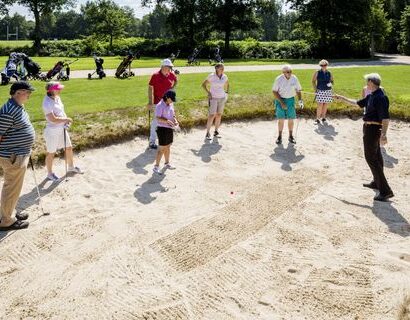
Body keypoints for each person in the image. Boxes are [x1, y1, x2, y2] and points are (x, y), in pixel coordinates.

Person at [334, 73, 394, 202]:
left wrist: (384, 134)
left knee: (371, 157)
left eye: (367, 82)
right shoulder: (371, 95)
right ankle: (376, 182)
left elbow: (385, 118)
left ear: (372, 82)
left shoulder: (380, 97)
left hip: (373, 129)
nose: (366, 84)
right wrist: (341, 98)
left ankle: (385, 191)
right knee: (376, 156)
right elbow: (357, 103)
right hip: (368, 128)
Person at [0, 81, 36, 231]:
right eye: (27, 92)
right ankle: (7, 221)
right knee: (12, 187)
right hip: (13, 156)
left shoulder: (17, 106)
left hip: (19, 153)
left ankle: (8, 212)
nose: (29, 95)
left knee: (13, 187)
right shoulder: (9, 110)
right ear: (18, 92)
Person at [42, 81, 82, 181]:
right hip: (52, 131)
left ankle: (71, 167)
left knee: (68, 147)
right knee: (51, 152)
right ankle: (50, 174)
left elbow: (61, 112)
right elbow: (53, 119)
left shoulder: (57, 98)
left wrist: (65, 122)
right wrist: (66, 119)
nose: (60, 90)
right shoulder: (46, 103)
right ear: (51, 90)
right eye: (58, 88)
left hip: (62, 129)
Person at [147, 59, 178, 149]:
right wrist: (150, 102)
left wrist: (172, 88)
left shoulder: (171, 75)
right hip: (158, 102)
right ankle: (152, 142)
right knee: (156, 122)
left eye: (171, 67)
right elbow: (150, 88)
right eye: (169, 67)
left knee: (169, 119)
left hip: (169, 102)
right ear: (163, 67)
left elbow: (176, 80)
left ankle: (166, 138)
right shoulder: (155, 76)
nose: (170, 69)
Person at [272, 64, 304, 144]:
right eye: (287, 72)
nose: (289, 73)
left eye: (290, 71)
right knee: (281, 119)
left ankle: (290, 136)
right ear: (283, 72)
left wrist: (300, 100)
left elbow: (298, 90)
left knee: (291, 119)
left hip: (290, 100)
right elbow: (274, 91)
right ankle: (279, 137)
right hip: (280, 100)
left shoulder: (294, 78)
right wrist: (282, 102)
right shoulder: (278, 79)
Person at [153, 90, 178, 175]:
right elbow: (158, 118)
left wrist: (175, 120)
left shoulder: (171, 104)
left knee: (168, 146)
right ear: (166, 97)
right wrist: (167, 121)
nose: (172, 101)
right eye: (171, 99)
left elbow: (173, 114)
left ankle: (167, 163)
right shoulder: (160, 106)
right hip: (162, 129)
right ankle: (156, 167)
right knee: (161, 149)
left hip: (169, 128)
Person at [201, 63, 229, 140]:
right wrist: (209, 93)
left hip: (222, 97)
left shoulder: (224, 76)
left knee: (219, 114)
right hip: (213, 98)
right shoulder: (211, 76)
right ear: (217, 69)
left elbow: (227, 84)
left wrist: (226, 92)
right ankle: (207, 133)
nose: (223, 70)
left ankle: (216, 131)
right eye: (221, 68)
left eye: (223, 68)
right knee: (212, 115)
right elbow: (203, 85)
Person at [312, 59, 334, 124]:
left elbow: (332, 81)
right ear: (320, 65)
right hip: (320, 90)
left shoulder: (329, 72)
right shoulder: (317, 72)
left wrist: (330, 84)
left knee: (325, 105)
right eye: (322, 65)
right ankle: (317, 119)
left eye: (325, 65)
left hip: (328, 91)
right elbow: (313, 81)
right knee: (320, 105)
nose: (323, 66)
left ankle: (323, 118)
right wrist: (315, 89)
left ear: (327, 65)